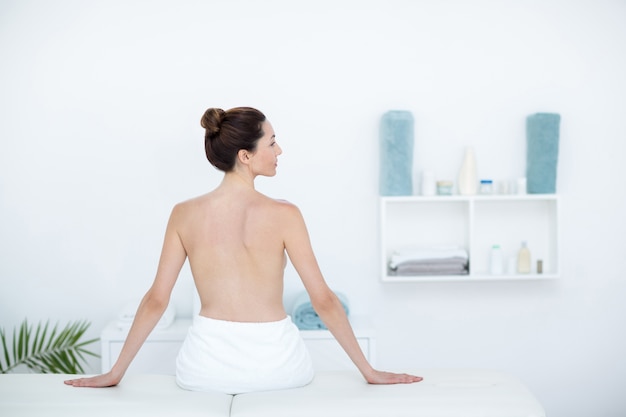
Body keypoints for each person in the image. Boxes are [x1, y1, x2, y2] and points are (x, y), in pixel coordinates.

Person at [65, 107, 422, 394]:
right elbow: (323, 300)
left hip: (204, 368)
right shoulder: (286, 215)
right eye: (271, 143)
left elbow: (157, 299)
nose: (279, 150)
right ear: (245, 156)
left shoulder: (183, 214)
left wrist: (114, 372)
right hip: (279, 367)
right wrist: (369, 371)